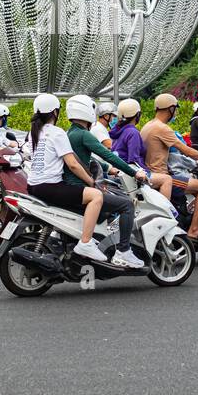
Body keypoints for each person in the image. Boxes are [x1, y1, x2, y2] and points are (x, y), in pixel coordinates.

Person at [26, 94, 126, 266]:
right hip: (50, 187)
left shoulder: (33, 133)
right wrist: (90, 181)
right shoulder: (57, 133)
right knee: (96, 196)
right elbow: (72, 164)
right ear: (56, 112)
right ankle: (85, 243)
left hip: (33, 186)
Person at [65, 94, 147, 268]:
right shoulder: (83, 135)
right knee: (126, 205)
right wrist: (134, 172)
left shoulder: (70, 133)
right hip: (80, 187)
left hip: (71, 186)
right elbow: (108, 155)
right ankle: (123, 251)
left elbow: (84, 160)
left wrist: (107, 168)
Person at [143, 93, 198, 243]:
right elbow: (187, 151)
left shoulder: (148, 126)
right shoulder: (162, 128)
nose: (176, 113)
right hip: (162, 177)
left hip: (153, 175)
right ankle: (194, 230)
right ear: (171, 109)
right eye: (175, 110)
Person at [110, 98, 147, 167]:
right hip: (128, 172)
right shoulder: (133, 133)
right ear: (138, 115)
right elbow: (134, 160)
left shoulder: (117, 130)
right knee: (167, 178)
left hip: (117, 169)